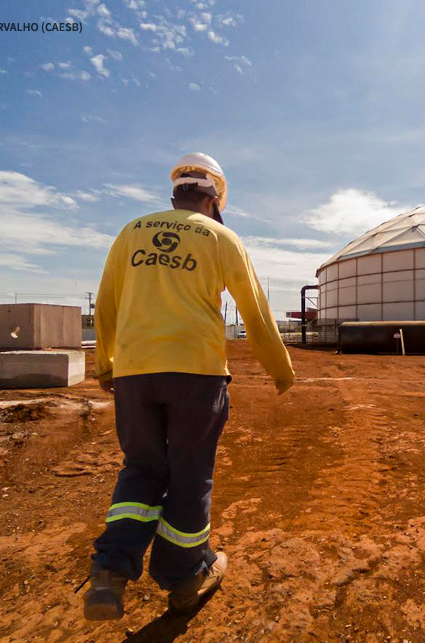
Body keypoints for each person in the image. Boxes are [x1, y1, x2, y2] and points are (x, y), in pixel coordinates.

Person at [83, 153, 294, 620]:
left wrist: (105, 365)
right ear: (215, 197)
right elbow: (254, 308)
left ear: (174, 191)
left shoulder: (131, 230)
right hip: (196, 375)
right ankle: (184, 579)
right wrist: (281, 369)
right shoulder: (222, 237)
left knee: (140, 469)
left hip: (135, 373)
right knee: (189, 474)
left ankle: (109, 571)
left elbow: (108, 302)